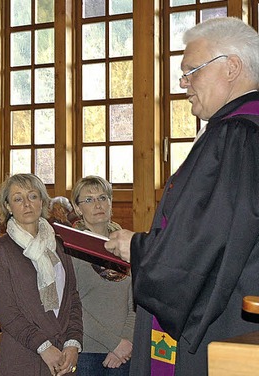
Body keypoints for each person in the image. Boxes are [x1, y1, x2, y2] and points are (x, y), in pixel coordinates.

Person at [105, 17, 259, 375]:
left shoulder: (234, 136)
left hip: (225, 327)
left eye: (192, 70)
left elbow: (203, 242)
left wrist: (139, 249)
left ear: (232, 67)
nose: (183, 83)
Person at [0, 173, 82, 376]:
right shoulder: (0, 250)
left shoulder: (59, 244)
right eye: (18, 199)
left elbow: (72, 299)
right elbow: (6, 312)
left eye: (32, 196)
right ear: (8, 207)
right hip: (24, 356)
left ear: (43, 201)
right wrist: (44, 347)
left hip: (64, 356)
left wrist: (73, 343)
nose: (26, 204)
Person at [69, 176, 134, 375]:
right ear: (78, 209)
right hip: (88, 351)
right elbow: (72, 307)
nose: (98, 204)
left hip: (125, 350)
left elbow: (136, 301)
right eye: (88, 200)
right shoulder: (71, 248)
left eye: (103, 197)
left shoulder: (126, 244)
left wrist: (127, 341)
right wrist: (114, 343)